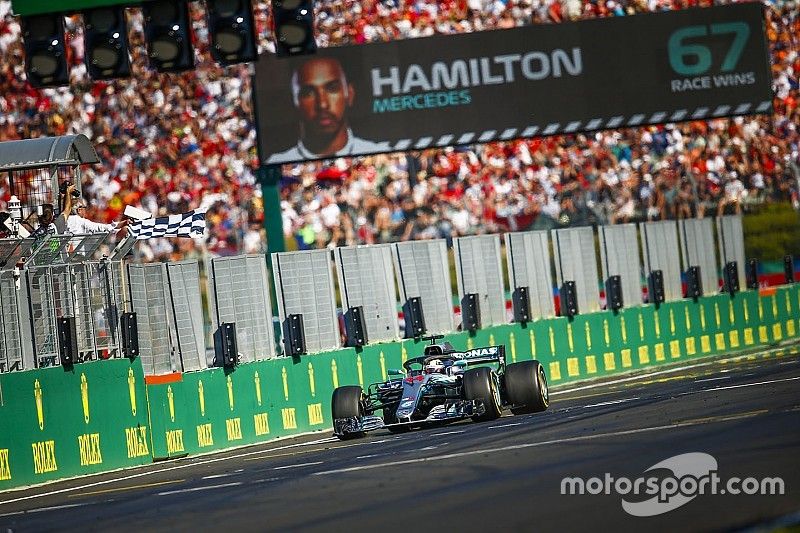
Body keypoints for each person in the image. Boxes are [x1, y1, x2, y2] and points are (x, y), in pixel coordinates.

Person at [266, 57, 389, 164]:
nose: (322, 104)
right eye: (308, 93)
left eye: (332, 88)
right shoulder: (275, 160)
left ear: (350, 94)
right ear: (294, 101)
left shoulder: (381, 152)